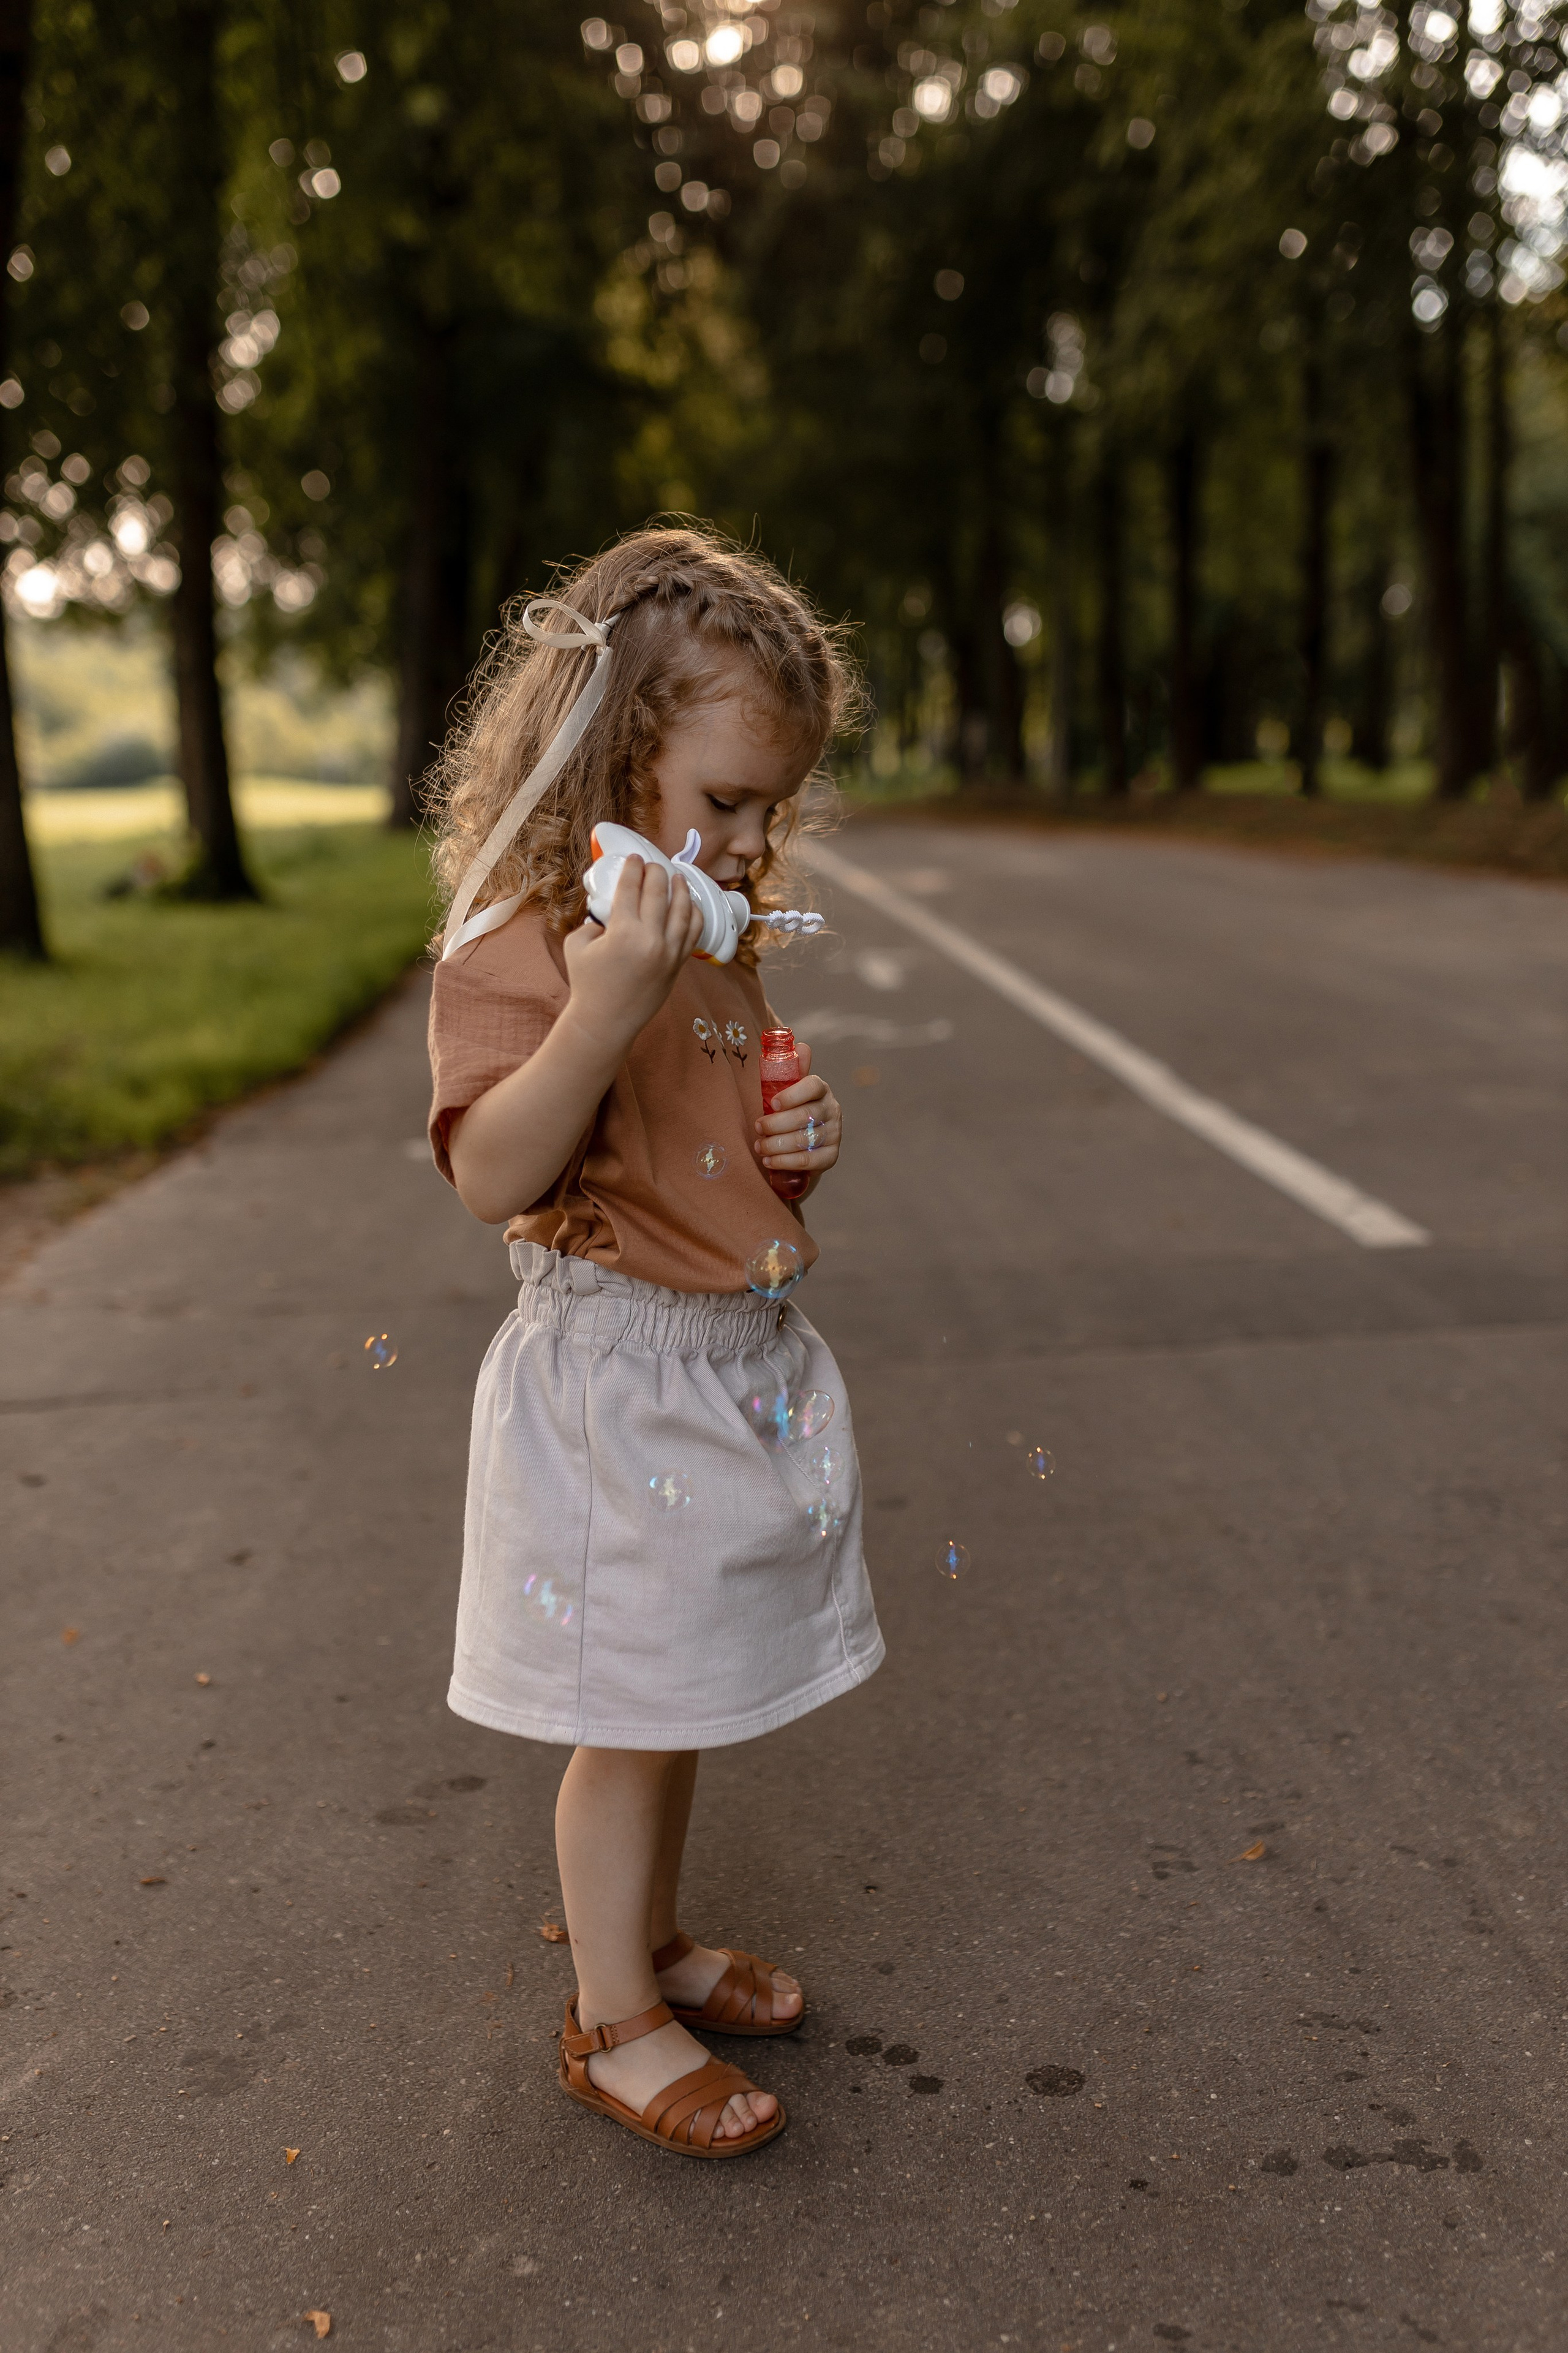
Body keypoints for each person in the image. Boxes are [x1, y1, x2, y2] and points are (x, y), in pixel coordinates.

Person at [424, 525, 884, 2159]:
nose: (757, 845)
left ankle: (655, 1939)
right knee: (627, 1703)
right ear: (616, 759)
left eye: (773, 810)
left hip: (720, 1361)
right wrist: (603, 1005)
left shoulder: (717, 935)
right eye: (730, 802)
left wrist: (793, 1144)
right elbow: (495, 1171)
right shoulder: (523, 939)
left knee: (677, 1687)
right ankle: (613, 2016)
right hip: (613, 1381)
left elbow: (708, 1151)